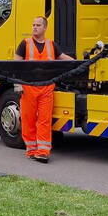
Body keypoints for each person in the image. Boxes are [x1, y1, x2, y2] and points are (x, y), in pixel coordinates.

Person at [14, 16, 72, 163]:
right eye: (33, 25)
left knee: (44, 120)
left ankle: (43, 151)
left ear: (45, 28)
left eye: (38, 25)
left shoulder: (51, 44)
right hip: (28, 88)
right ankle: (32, 150)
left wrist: (80, 64)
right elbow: (15, 67)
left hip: (46, 88)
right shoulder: (24, 44)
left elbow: (62, 57)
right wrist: (18, 85)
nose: (34, 27)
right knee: (28, 119)